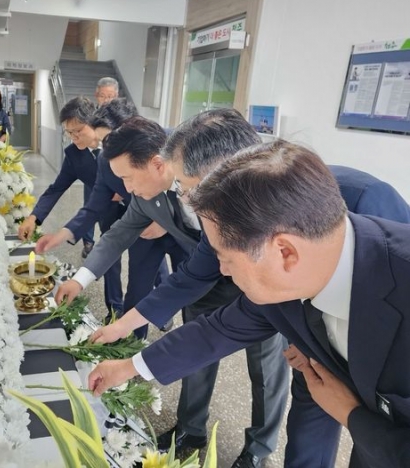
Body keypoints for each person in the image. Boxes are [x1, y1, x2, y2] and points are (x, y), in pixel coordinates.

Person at [86, 108, 410, 467]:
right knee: (310, 426)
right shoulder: (273, 271)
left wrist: (351, 414)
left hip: (384, 381)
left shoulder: (364, 214)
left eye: (225, 257)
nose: (221, 269)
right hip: (323, 360)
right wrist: (130, 365)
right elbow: (219, 329)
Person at [55, 112, 289, 467]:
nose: (126, 189)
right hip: (199, 282)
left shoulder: (243, 191)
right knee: (195, 354)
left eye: (128, 178)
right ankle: (190, 430)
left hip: (262, 285)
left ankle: (258, 449)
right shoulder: (152, 195)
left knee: (266, 371)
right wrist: (94, 294)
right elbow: (129, 241)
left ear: (158, 164)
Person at [35, 111, 171, 327]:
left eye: (78, 131)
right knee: (136, 288)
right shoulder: (105, 162)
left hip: (184, 237)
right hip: (134, 221)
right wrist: (78, 277)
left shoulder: (181, 166)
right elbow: (101, 216)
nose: (102, 147)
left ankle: (162, 313)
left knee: (182, 291)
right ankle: (127, 335)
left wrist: (163, 219)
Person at [17, 97, 123, 314]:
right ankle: (115, 311)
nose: (74, 137)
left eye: (78, 131)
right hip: (104, 212)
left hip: (137, 210)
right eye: (69, 132)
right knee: (110, 261)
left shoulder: (118, 143)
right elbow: (56, 188)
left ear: (93, 123)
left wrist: (124, 191)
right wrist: (33, 217)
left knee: (151, 263)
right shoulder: (74, 156)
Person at [80, 77, 122, 258]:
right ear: (96, 95)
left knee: (109, 212)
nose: (106, 100)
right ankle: (88, 242)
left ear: (117, 96)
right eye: (103, 96)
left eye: (110, 96)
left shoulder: (122, 119)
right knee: (90, 205)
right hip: (92, 168)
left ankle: (107, 243)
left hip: (113, 173)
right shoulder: (89, 118)